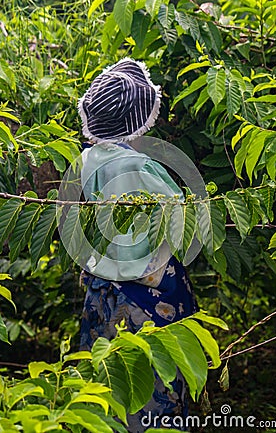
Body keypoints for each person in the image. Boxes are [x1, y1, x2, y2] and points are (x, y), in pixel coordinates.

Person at [78, 58, 198, 432]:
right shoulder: (143, 167)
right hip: (150, 291)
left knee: (110, 374)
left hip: (102, 289)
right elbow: (180, 219)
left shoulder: (85, 160)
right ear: (137, 118)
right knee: (157, 377)